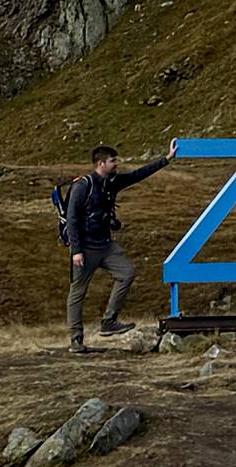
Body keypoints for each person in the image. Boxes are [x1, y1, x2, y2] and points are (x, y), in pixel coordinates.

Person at [64, 141, 176, 352]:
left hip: (106, 246)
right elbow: (72, 219)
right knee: (78, 292)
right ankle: (76, 339)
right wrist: (76, 250)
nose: (117, 164)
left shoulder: (111, 182)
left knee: (126, 273)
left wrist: (167, 159)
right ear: (100, 163)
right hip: (85, 249)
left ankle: (109, 321)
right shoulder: (82, 186)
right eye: (113, 160)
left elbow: (138, 174)